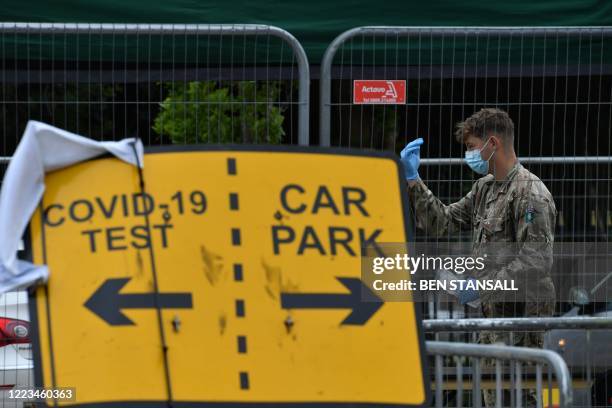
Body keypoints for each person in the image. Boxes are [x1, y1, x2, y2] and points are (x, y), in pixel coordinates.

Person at [401, 108, 556, 407]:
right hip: (492, 319)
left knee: (518, 398)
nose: (469, 155)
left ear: (493, 143)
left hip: (521, 322)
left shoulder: (531, 192)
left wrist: (481, 286)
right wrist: (413, 179)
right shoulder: (484, 189)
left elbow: (536, 261)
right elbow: (441, 222)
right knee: (492, 397)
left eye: (472, 147)